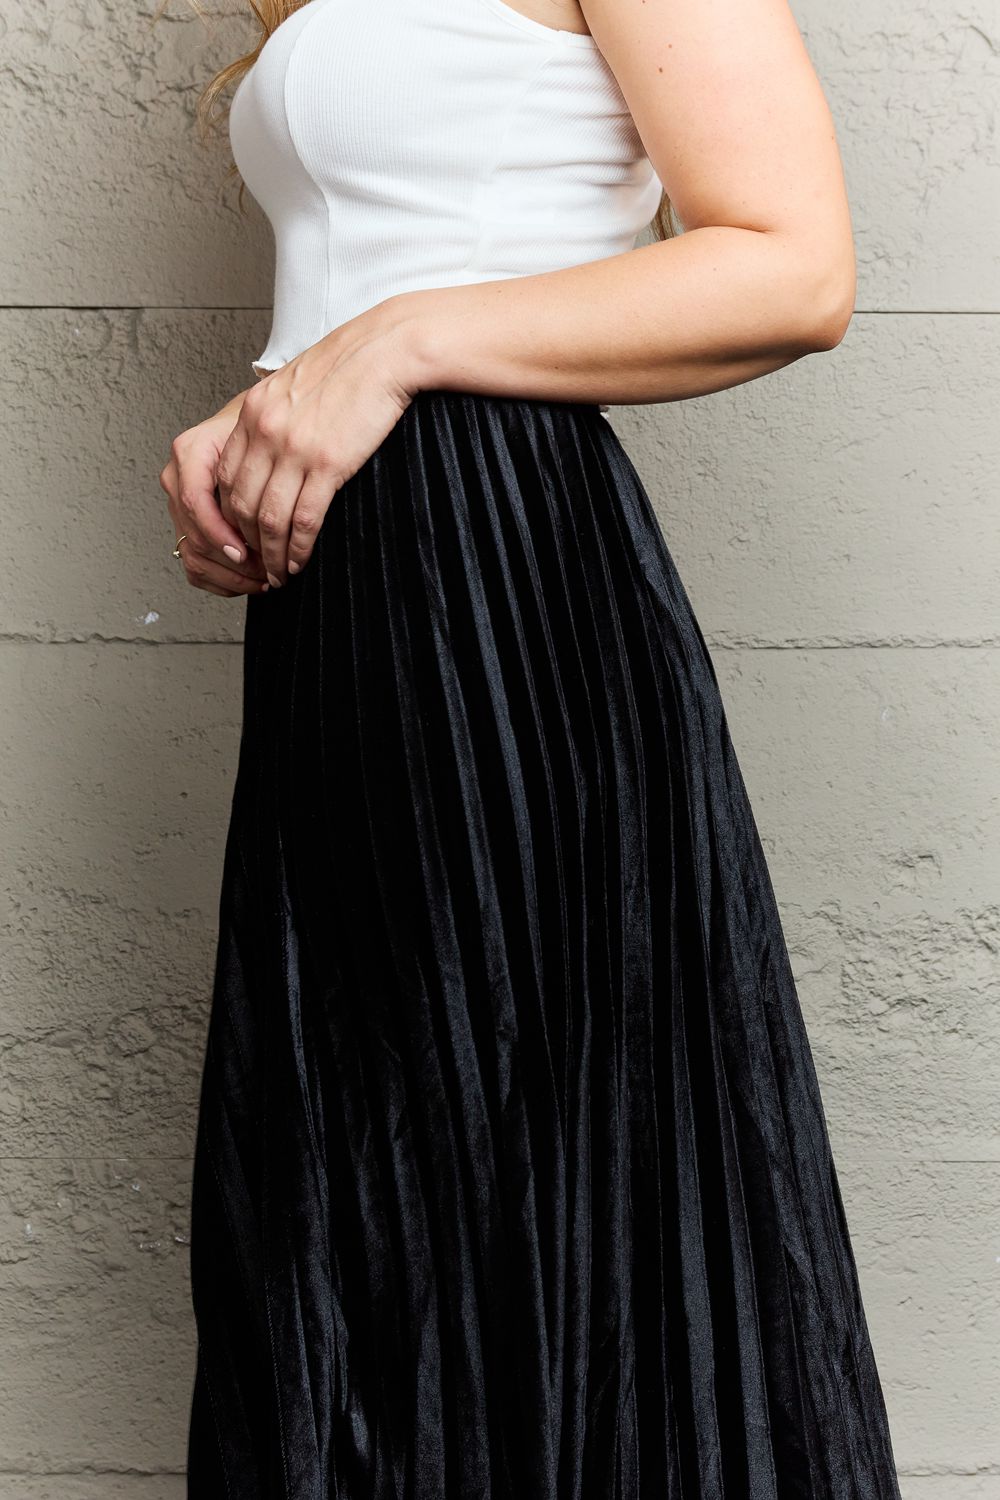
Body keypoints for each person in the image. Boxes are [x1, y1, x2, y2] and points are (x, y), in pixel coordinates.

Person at [160, 0, 904, 1494]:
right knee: (372, 1162)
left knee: (503, 1147)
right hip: (353, 590)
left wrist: (384, 344)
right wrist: (280, 397)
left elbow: (794, 264)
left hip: (485, 559)